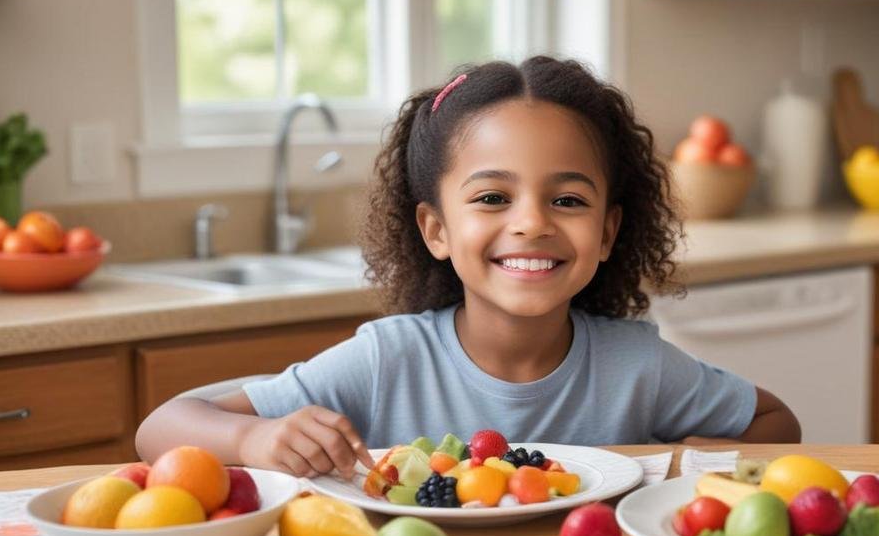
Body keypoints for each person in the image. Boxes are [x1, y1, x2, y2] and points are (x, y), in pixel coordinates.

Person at [136, 56, 801, 479]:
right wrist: (256, 438)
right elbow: (160, 426)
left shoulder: (639, 365)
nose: (531, 222)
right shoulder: (386, 360)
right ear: (436, 229)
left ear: (606, 231)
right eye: (492, 198)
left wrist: (681, 465)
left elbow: (777, 422)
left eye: (567, 200)